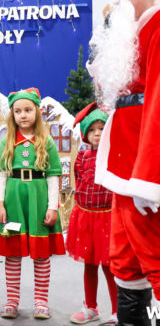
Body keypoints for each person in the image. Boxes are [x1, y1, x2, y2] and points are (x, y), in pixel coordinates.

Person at [87, 0, 160, 326]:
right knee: (126, 258)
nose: (115, 1)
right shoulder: (135, 32)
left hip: (142, 171)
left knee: (155, 256)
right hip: (124, 164)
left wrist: (150, 180)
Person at [0, 88, 64, 320]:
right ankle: (11, 300)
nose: (23, 115)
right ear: (12, 114)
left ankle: (41, 301)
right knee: (13, 252)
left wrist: (52, 207)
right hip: (13, 202)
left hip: (38, 201)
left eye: (28, 110)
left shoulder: (46, 142)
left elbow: (53, 177)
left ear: (37, 112)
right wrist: (0, 204)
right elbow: (1, 175)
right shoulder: (7, 141)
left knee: (41, 254)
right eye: (18, 111)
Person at [67, 103, 117, 325]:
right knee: (89, 264)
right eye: (92, 130)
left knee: (110, 266)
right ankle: (90, 307)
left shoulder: (113, 155)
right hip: (86, 217)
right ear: (85, 134)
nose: (97, 133)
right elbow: (79, 182)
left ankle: (118, 310)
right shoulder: (81, 157)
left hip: (108, 217)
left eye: (102, 128)